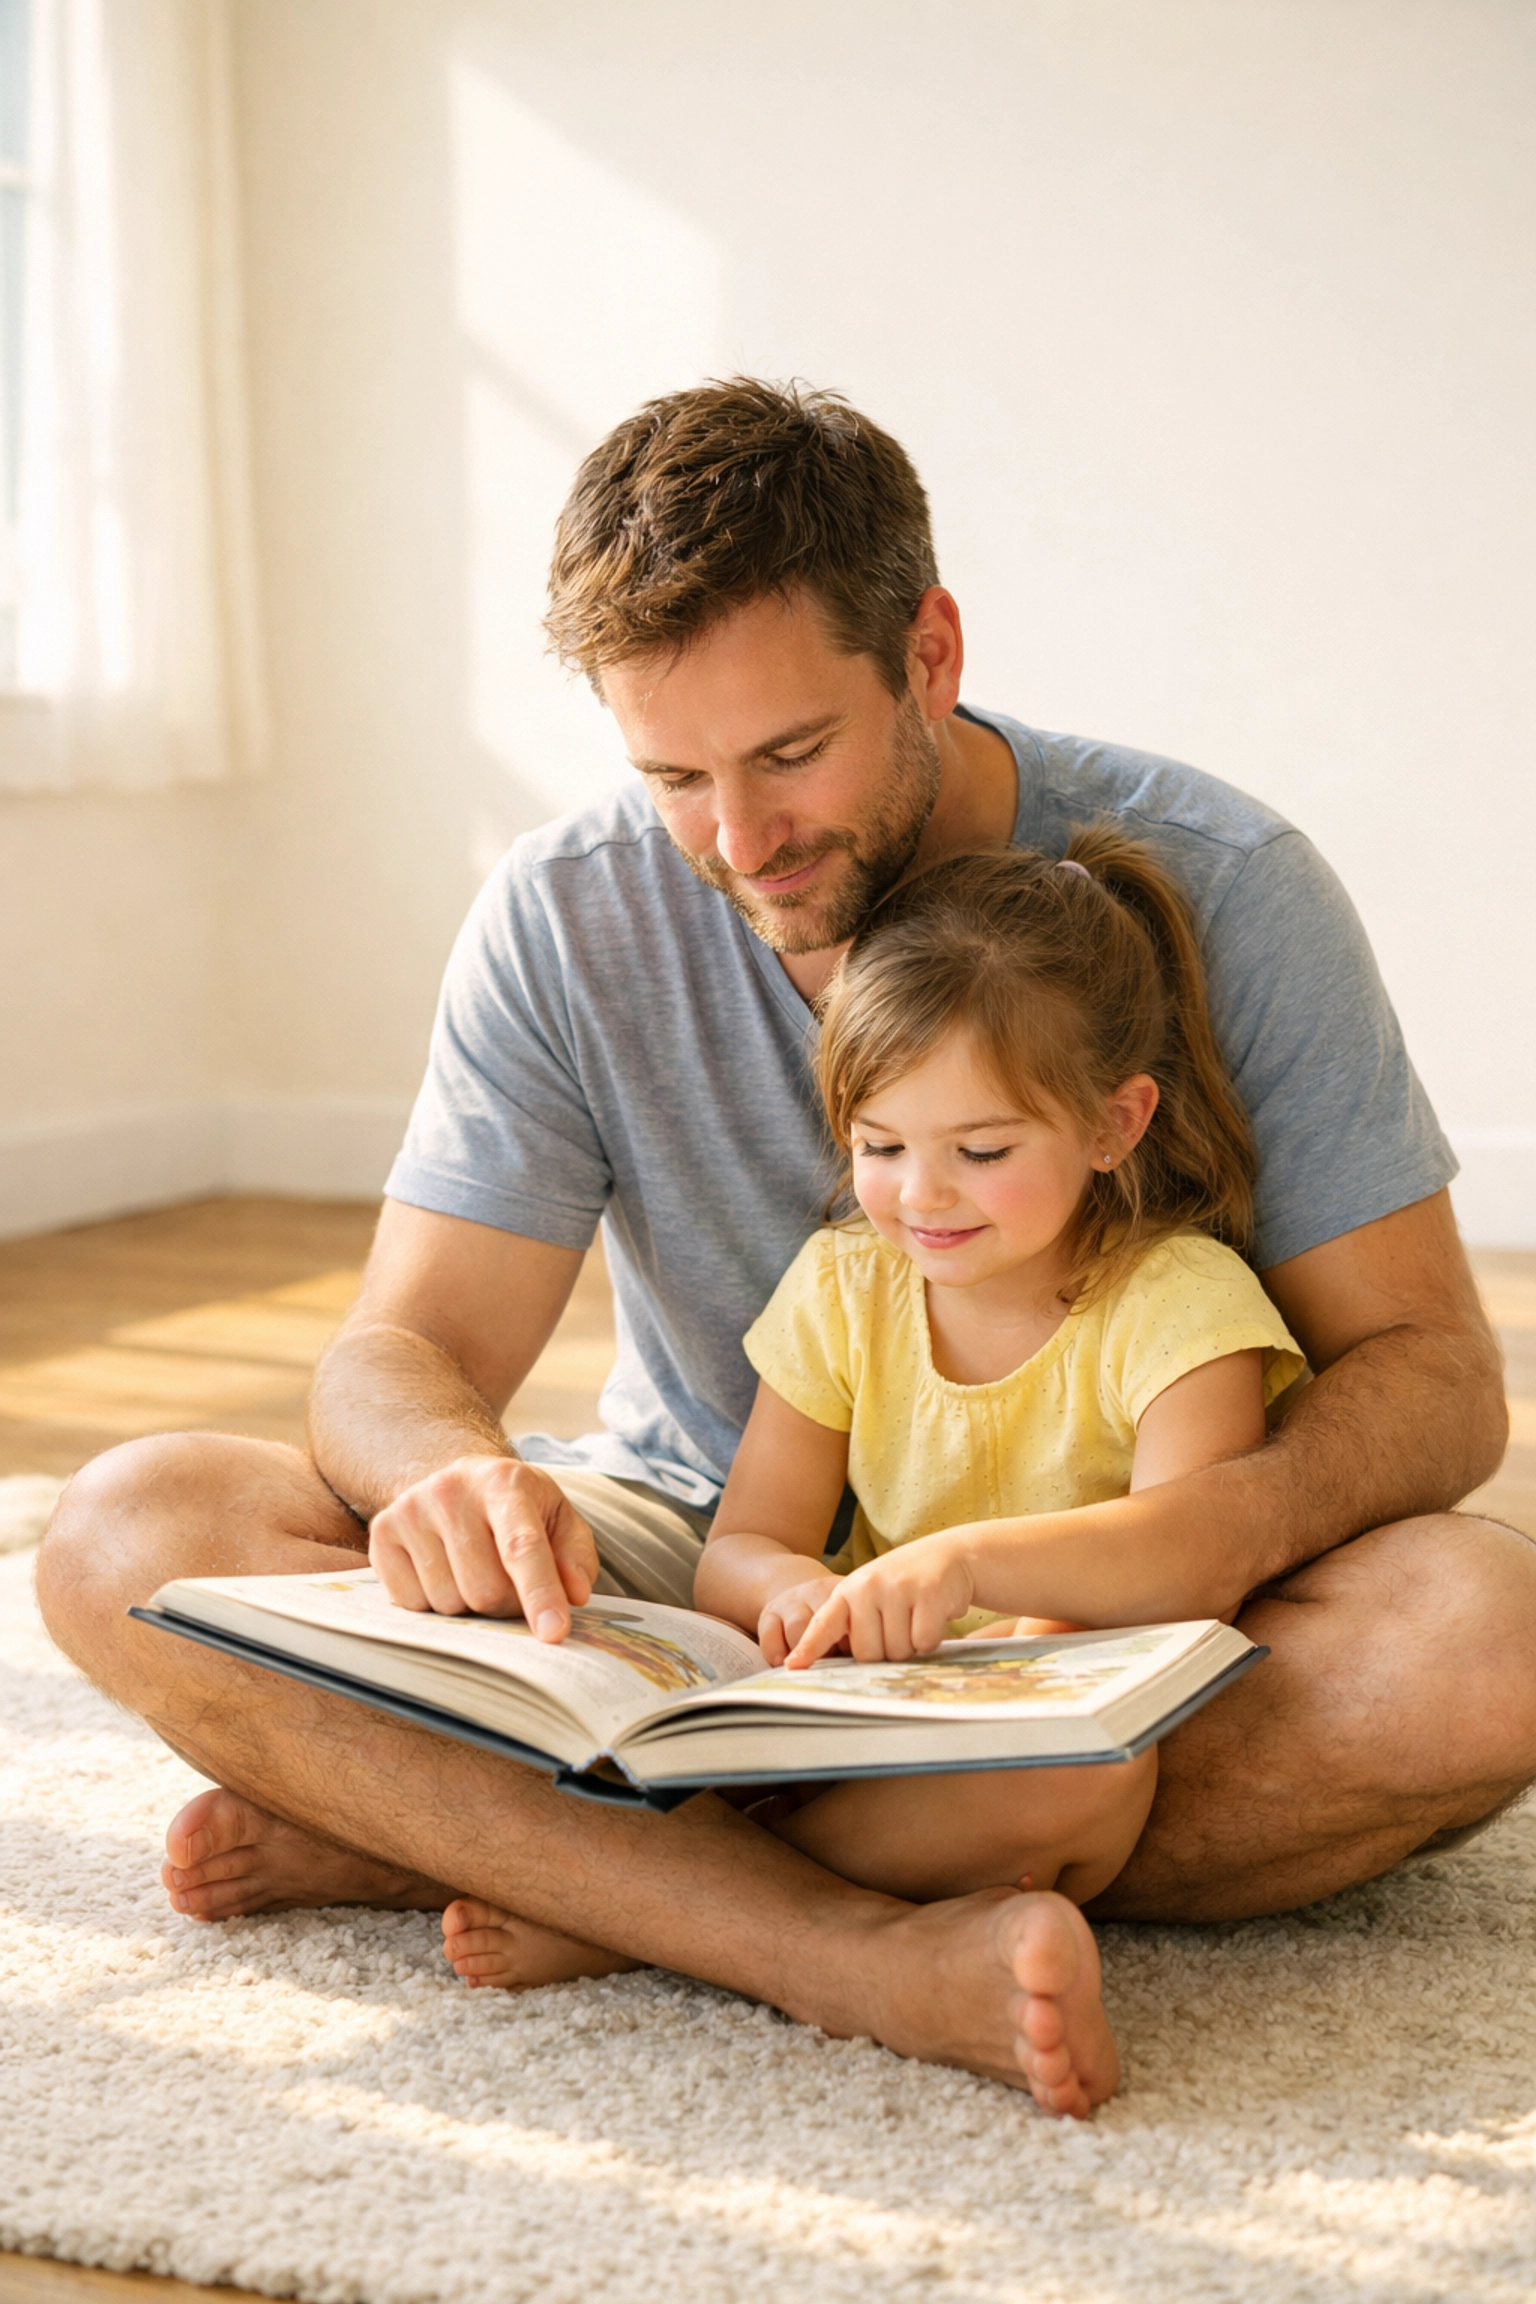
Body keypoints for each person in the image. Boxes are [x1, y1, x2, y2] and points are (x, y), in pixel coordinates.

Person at [36, 379, 1531, 2107]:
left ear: (930, 652)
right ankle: (849, 1945)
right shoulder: (567, 907)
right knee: (124, 1529)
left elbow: (1432, 1375)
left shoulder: (1221, 879)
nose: (737, 843)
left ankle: (538, 1847)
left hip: (1091, 1590)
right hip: (705, 1557)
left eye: (790, 754)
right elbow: (398, 1353)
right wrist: (446, 1466)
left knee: (1479, 1642)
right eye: (671, 773)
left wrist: (1197, 1536)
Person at [444, 832, 1306, 2116]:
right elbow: (741, 1544)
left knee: (1094, 1772)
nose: (922, 1196)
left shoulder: (1184, 1304)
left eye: (984, 1149)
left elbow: (1193, 1557)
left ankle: (638, 1907)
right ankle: (683, 1897)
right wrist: (790, 1590)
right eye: (882, 1144)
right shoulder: (847, 1286)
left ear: (1116, 1123)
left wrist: (961, 1566)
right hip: (845, 1718)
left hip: (1031, 1734)